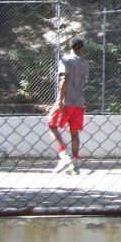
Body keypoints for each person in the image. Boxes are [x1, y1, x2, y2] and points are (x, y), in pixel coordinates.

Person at [48, 38, 89, 174]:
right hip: (79, 102)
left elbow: (64, 80)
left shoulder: (66, 60)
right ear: (82, 48)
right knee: (74, 132)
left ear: (70, 46)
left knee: (52, 125)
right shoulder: (85, 64)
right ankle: (75, 163)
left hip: (67, 101)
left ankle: (63, 156)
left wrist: (60, 99)